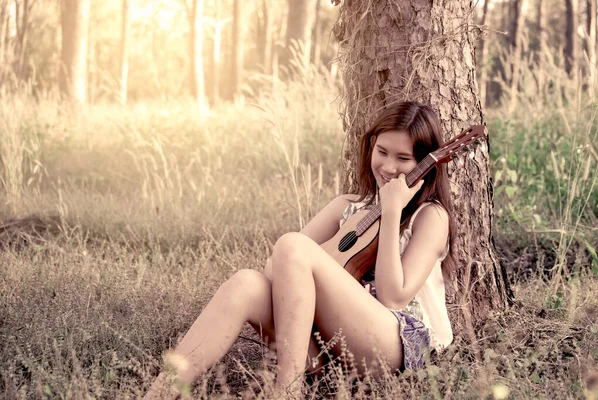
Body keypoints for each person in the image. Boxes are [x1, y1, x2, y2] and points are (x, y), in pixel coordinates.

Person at [143, 101, 455, 399]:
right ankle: (157, 394)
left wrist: (391, 214)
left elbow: (394, 297)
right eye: (382, 151)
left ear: (424, 164)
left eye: (403, 159)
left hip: (397, 346)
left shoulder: (429, 217)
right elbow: (279, 268)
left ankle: (287, 392)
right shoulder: (347, 207)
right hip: (329, 347)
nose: (388, 166)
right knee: (245, 283)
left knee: (294, 244)